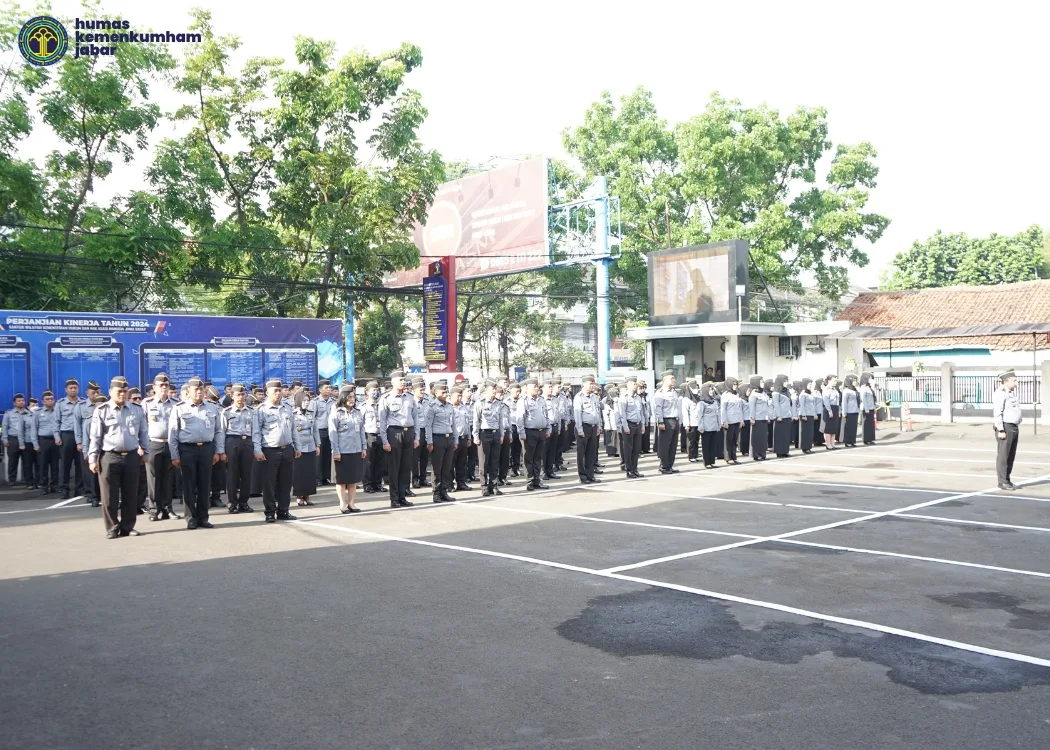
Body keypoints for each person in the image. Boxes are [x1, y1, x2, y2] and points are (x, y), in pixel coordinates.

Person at [87, 376, 150, 539]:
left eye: (125, 391)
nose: (122, 394)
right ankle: (112, 527)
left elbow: (143, 432)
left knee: (131, 494)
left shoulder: (136, 409)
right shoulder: (102, 410)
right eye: (119, 391)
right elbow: (95, 437)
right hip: (109, 457)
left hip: (131, 456)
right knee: (109, 496)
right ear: (110, 392)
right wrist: (92, 459)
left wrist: (146, 452)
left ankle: (127, 526)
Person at [169, 377, 226, 530]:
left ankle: (203, 517)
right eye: (196, 390)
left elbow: (219, 430)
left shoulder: (212, 407)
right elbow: (173, 434)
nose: (199, 392)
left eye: (201, 390)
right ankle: (190, 517)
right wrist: (174, 455)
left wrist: (218, 450)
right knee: (189, 484)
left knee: (204, 484)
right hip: (187, 449)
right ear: (188, 392)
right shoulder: (179, 408)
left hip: (207, 449)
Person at [254, 378, 300, 522]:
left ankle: (283, 511)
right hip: (270, 451)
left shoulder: (287, 407)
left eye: (280, 391)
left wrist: (297, 446)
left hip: (287, 449)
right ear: (267, 392)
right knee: (269, 484)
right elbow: (256, 432)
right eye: (275, 391)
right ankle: (269, 511)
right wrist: (257, 450)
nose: (278, 394)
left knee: (286, 483)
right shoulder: (261, 410)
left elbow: (293, 429)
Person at [379, 370, 418, 509]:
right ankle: (394, 498)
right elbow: (382, 421)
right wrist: (385, 441)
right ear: (393, 381)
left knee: (405, 467)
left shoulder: (410, 397)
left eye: (404, 379)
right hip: (394, 433)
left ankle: (402, 496)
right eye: (401, 380)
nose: (403, 382)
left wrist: (416, 437)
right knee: (394, 468)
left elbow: (415, 418)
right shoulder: (386, 398)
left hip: (409, 432)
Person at [330, 384, 367, 513]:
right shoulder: (336, 413)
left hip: (355, 450)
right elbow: (333, 433)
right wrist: (336, 451)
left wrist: (363, 447)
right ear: (344, 398)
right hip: (342, 451)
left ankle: (352, 503)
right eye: (350, 397)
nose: (352, 399)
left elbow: (362, 431)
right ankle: (342, 504)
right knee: (341, 480)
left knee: (353, 479)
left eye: (354, 397)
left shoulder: (357, 412)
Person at [222, 384, 255, 514]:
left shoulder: (252, 411)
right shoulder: (227, 412)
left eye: (242, 394)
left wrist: (255, 447)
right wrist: (222, 450)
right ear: (232, 396)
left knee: (246, 474)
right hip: (232, 441)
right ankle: (232, 502)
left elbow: (255, 431)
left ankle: (243, 502)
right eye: (237, 395)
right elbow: (221, 432)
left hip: (247, 441)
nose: (240, 397)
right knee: (232, 474)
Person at [425, 380, 458, 504]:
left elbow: (453, 424)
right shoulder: (432, 407)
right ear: (436, 392)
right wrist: (429, 442)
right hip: (437, 439)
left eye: (446, 392)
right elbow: (428, 425)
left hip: (448, 438)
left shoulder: (449, 406)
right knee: (437, 468)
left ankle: (444, 492)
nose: (445, 394)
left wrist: (455, 440)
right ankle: (436, 493)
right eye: (443, 392)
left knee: (446, 468)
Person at [473, 380, 507, 497]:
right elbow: (476, 421)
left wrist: (501, 434)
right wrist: (476, 436)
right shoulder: (480, 403)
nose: (494, 390)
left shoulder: (498, 403)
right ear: (486, 390)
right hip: (484, 434)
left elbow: (500, 420)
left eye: (495, 388)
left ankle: (494, 485)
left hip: (496, 433)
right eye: (492, 388)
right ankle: (484, 486)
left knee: (495, 461)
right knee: (484, 462)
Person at [515, 378, 550, 491]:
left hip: (541, 431)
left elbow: (546, 415)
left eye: (537, 386)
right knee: (529, 458)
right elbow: (520, 418)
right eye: (534, 386)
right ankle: (529, 481)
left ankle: (537, 480)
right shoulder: (523, 400)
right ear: (528, 388)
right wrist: (522, 433)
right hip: (529, 432)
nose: (537, 388)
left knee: (538, 457)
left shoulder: (541, 400)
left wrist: (548, 428)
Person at [55, 378, 86, 500]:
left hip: (81, 436)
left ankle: (79, 489)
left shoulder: (83, 403)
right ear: (66, 390)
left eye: (75, 388)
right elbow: (56, 422)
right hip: (66, 436)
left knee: (80, 464)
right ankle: (64, 489)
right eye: (71, 388)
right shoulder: (60, 403)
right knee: (65, 464)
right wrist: (57, 436)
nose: (73, 390)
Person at [993, 370, 1022, 491]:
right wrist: (1000, 429)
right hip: (1005, 427)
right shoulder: (1000, 393)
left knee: (1011, 455)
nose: (1016, 382)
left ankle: (1007, 479)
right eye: (1014, 380)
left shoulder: (1011, 393)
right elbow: (997, 412)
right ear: (1006, 381)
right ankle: (1002, 481)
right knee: (1004, 456)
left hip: (1013, 426)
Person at [291, 390, 321, 507]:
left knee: (309, 472)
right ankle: (299, 496)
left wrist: (317, 445)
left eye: (308, 400)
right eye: (304, 400)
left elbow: (315, 430)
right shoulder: (293, 414)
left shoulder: (311, 413)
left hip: (310, 446)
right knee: (299, 473)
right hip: (299, 447)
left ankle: (307, 495)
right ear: (298, 401)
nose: (306, 403)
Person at [573, 375, 603, 484]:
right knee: (582, 453)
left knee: (591, 453)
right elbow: (577, 415)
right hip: (584, 427)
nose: (593, 386)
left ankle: (590, 475)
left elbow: (597, 413)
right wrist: (579, 429)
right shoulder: (578, 397)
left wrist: (599, 426)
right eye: (591, 384)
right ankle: (583, 476)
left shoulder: (594, 397)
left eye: (593, 383)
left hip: (593, 427)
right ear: (584, 384)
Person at [615, 376, 645, 479]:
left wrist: (642, 425)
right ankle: (629, 470)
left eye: (636, 384)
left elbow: (641, 412)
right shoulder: (623, 397)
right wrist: (625, 427)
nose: (635, 386)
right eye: (633, 384)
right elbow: (622, 414)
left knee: (636, 449)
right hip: (629, 425)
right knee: (628, 449)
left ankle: (635, 469)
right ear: (627, 385)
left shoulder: (638, 397)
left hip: (637, 425)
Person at [32, 390, 60, 494]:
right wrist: (35, 443)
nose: (50, 401)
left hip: (55, 440)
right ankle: (44, 486)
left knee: (55, 465)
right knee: (43, 465)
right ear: (43, 401)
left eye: (52, 399)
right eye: (47, 399)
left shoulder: (57, 411)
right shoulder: (38, 413)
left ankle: (54, 485)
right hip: (43, 440)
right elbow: (34, 429)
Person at [653, 370, 681, 474]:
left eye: (674, 378)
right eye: (671, 378)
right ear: (664, 380)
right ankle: (664, 466)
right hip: (666, 420)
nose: (674, 380)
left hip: (675, 420)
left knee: (673, 445)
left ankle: (670, 465)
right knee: (665, 445)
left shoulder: (674, 392)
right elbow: (658, 408)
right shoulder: (660, 393)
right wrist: (660, 422)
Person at [360, 381, 384, 493]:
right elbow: (360, 424)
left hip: (381, 435)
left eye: (377, 390)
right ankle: (367, 484)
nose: (376, 392)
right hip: (369, 435)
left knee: (380, 461)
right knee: (368, 462)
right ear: (367, 392)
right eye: (373, 390)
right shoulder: (363, 407)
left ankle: (378, 484)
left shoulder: (382, 405)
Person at [3, 394, 30, 486]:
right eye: (19, 401)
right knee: (13, 461)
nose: (21, 402)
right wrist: (5, 439)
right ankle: (12, 479)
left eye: (23, 400)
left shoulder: (28, 413)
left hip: (26, 439)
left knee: (27, 461)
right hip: (13, 439)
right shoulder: (9, 414)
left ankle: (27, 479)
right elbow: (5, 427)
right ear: (14, 403)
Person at [450, 386, 473, 491]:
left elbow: (467, 424)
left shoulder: (464, 407)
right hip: (453, 438)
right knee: (450, 463)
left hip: (463, 438)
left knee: (462, 462)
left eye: (460, 396)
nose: (459, 398)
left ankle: (461, 483)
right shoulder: (449, 407)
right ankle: (449, 484)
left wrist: (469, 437)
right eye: (457, 396)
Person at [313, 380, 335, 486]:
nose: (329, 390)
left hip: (330, 431)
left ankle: (326, 477)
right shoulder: (315, 402)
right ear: (320, 389)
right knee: (319, 456)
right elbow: (313, 418)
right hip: (319, 431)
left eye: (330, 388)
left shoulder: (333, 402)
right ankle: (318, 478)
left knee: (327, 455)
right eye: (326, 388)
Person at [719, 378, 743, 466]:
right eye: (733, 384)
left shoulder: (736, 394)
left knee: (734, 440)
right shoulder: (725, 395)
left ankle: (734, 457)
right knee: (728, 440)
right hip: (729, 421)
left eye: (736, 385)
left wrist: (741, 419)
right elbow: (723, 409)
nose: (735, 386)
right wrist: (724, 421)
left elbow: (739, 408)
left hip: (736, 420)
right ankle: (728, 457)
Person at [698, 382, 721, 468]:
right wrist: (701, 426)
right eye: (710, 389)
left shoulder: (714, 401)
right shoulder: (702, 403)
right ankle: (707, 462)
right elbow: (700, 415)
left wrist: (719, 425)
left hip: (714, 426)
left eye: (712, 389)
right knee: (706, 445)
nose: (711, 391)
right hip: (706, 427)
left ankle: (712, 462)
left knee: (712, 445)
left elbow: (717, 414)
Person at [543, 380, 561, 480]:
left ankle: (550, 470)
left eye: (551, 387)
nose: (550, 389)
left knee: (552, 450)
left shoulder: (555, 399)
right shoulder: (542, 400)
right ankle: (543, 471)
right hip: (547, 428)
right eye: (548, 387)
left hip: (555, 426)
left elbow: (557, 414)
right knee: (544, 451)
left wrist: (558, 428)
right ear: (543, 389)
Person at [748, 376, 769, 461]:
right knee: (756, 437)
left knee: (763, 437)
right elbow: (752, 407)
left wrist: (767, 416)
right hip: (757, 418)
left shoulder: (763, 394)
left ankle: (762, 454)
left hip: (764, 418)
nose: (762, 383)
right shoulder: (754, 395)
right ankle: (756, 454)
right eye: (761, 382)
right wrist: (752, 417)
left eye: (763, 382)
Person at [772, 375, 793, 458]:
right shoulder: (776, 393)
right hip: (781, 417)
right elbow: (776, 405)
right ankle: (779, 451)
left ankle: (785, 451)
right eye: (785, 381)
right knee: (780, 435)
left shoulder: (786, 391)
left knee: (786, 435)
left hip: (787, 416)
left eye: (787, 381)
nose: (786, 383)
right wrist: (779, 415)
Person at [822, 375, 841, 450]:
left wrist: (838, 410)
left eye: (836, 380)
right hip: (829, 408)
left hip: (835, 408)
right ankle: (828, 444)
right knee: (829, 428)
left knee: (834, 428)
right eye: (834, 380)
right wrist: (829, 411)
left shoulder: (835, 390)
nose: (835, 382)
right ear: (829, 381)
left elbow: (838, 401)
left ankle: (833, 444)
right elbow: (826, 401)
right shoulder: (826, 389)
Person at [859, 373, 877, 445]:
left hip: (871, 407)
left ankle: (870, 438)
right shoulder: (863, 387)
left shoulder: (869, 387)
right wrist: (866, 408)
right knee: (866, 424)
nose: (870, 380)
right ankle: (866, 439)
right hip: (866, 408)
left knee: (871, 424)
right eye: (869, 378)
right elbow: (863, 398)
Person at [798, 379, 815, 454]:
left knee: (810, 432)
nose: (811, 386)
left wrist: (814, 414)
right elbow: (802, 405)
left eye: (811, 384)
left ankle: (808, 446)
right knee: (805, 432)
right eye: (809, 384)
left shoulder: (810, 393)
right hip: (805, 415)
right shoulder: (803, 394)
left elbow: (812, 404)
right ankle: (804, 447)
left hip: (810, 414)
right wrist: (804, 415)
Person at [682, 385, 699, 462]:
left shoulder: (697, 397)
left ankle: (695, 455)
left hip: (698, 422)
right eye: (694, 387)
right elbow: (685, 412)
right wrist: (687, 424)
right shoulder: (686, 399)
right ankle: (691, 456)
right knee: (691, 440)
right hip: (691, 423)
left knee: (696, 440)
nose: (696, 389)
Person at [738, 382, 752, 459]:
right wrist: (741, 420)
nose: (749, 392)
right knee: (744, 436)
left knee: (749, 435)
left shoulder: (749, 399)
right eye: (747, 391)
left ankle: (748, 449)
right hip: (744, 420)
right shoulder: (741, 400)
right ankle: (744, 450)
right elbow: (740, 411)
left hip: (749, 419)